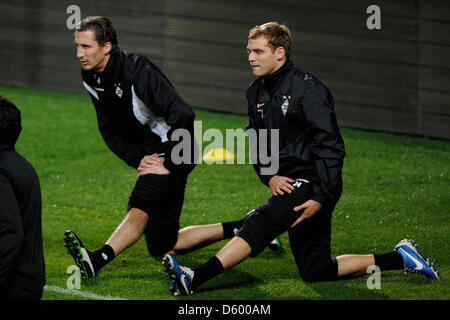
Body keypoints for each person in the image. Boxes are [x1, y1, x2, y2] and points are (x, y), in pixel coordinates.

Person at [162, 22, 440, 296]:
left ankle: (194, 279)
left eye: (258, 51)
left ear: (279, 52)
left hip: (316, 181)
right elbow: (258, 139)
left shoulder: (309, 90)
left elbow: (330, 147)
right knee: (316, 270)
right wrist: (268, 175)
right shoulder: (255, 91)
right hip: (290, 182)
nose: (250, 57)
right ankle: (401, 258)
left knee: (260, 222)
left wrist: (320, 195)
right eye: (249, 51)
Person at [63, 16, 277, 279]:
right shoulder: (91, 76)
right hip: (155, 151)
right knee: (163, 245)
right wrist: (137, 157)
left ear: (106, 47)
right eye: (77, 46)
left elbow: (183, 114)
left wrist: (171, 162)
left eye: (86, 47)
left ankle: (97, 259)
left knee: (142, 200)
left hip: (176, 147)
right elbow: (107, 127)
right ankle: (248, 226)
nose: (79, 54)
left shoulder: (137, 71)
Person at [0, 96, 46, 300]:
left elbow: (10, 232)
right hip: (28, 282)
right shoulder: (23, 167)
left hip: (11, 283)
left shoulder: (1, 171)